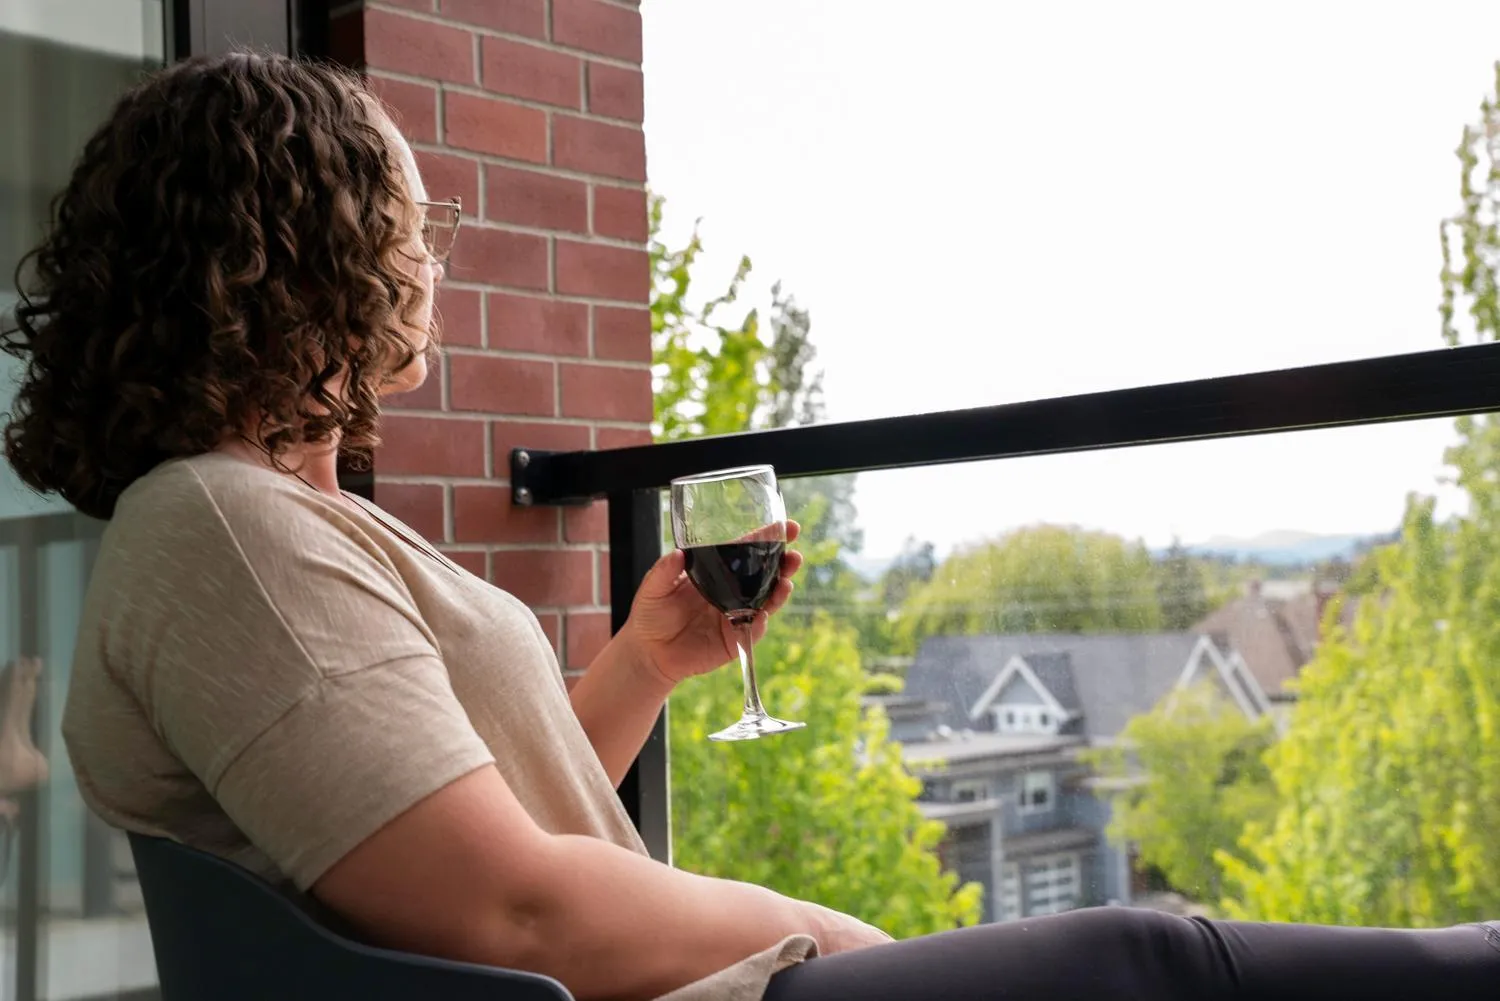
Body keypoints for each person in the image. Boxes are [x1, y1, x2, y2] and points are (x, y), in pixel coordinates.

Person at [0, 51, 1495, 1001]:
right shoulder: (224, 534)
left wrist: (642, 667)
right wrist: (826, 934)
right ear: (305, 256)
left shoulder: (267, 527)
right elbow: (509, 911)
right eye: (404, 223)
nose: (427, 255)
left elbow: (444, 832)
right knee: (1150, 955)